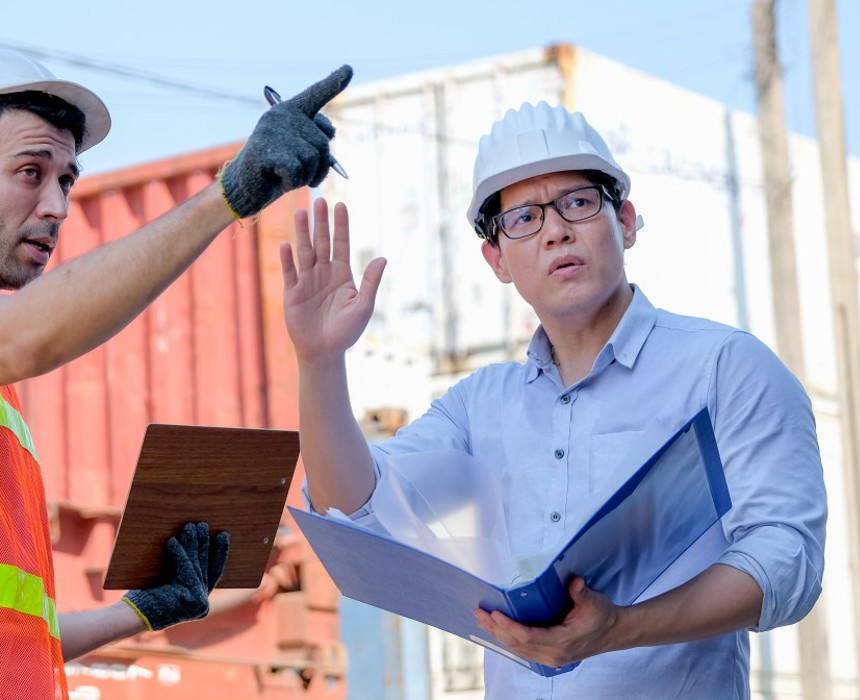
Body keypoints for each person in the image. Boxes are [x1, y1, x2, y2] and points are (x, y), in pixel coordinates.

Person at [0, 50, 351, 699]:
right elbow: (24, 336)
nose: (56, 206)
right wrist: (227, 197)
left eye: (67, 181)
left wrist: (144, 609)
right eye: (30, 172)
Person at [281, 101, 826, 697]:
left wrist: (621, 628)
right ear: (496, 259)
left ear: (626, 220)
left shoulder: (725, 368)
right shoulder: (477, 408)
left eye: (578, 202)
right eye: (523, 219)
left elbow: (787, 561)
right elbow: (353, 509)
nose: (556, 230)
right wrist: (320, 362)